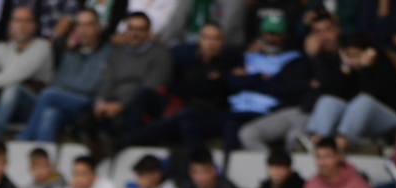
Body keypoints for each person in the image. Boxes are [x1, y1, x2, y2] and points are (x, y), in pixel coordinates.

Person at [233, 11, 341, 153]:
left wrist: (315, 59)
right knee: (248, 133)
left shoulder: (345, 56)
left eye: (327, 30)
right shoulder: (301, 59)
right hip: (295, 109)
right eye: (317, 32)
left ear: (338, 30)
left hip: (320, 113)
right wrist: (307, 83)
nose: (322, 37)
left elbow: (329, 86)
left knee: (295, 139)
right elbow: (281, 86)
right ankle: (276, 170)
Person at [120, 20, 236, 148]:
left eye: (215, 39)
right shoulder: (186, 57)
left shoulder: (229, 61)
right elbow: (178, 85)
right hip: (176, 103)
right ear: (199, 40)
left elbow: (212, 90)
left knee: (184, 116)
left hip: (203, 111)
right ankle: (129, 134)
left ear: (222, 42)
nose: (210, 43)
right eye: (206, 38)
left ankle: (130, 141)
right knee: (142, 93)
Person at [79, 10, 171, 153]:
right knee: (85, 110)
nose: (135, 33)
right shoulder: (117, 51)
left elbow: (152, 85)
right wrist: (101, 101)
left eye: (140, 29)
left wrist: (121, 105)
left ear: (148, 32)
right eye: (131, 29)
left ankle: (117, 145)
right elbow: (108, 79)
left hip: (144, 102)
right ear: (125, 30)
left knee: (141, 96)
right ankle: (97, 146)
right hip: (114, 100)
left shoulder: (161, 53)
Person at [17, 8, 109, 141]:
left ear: (98, 27)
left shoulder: (107, 52)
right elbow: (57, 82)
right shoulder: (70, 50)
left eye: (88, 24)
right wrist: (67, 49)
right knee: (50, 113)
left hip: (88, 103)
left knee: (48, 94)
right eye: (79, 25)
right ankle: (43, 156)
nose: (83, 29)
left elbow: (89, 87)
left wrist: (64, 90)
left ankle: (24, 138)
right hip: (63, 101)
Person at [0, 5, 54, 139]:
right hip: (6, 103)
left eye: (26, 21)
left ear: (34, 25)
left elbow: (13, 76)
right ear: (10, 24)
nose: (21, 25)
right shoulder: (3, 47)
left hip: (33, 105)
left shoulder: (43, 47)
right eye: (17, 20)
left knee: (12, 88)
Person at [304, 34, 396, 150]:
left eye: (355, 55)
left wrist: (366, 68)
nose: (351, 59)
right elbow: (335, 94)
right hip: (357, 123)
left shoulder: (383, 66)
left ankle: (340, 144)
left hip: (388, 120)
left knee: (364, 101)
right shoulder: (347, 68)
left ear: (370, 53)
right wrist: (345, 73)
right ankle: (317, 140)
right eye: (347, 55)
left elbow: (372, 93)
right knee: (328, 101)